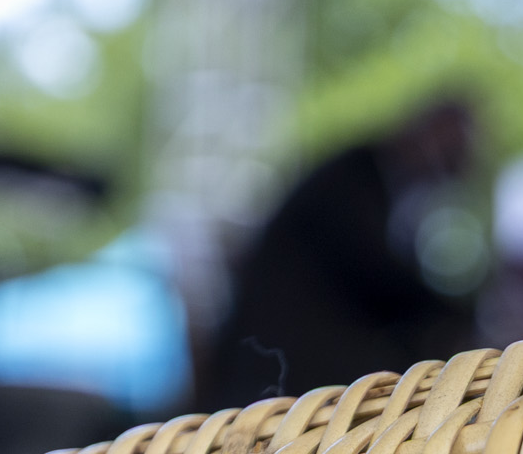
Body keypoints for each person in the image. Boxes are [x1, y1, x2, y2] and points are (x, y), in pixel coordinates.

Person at [198, 98, 482, 409]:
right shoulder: (355, 178)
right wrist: (456, 314)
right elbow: (371, 274)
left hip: (290, 368)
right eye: (452, 151)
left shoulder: (376, 182)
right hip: (275, 373)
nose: (455, 165)